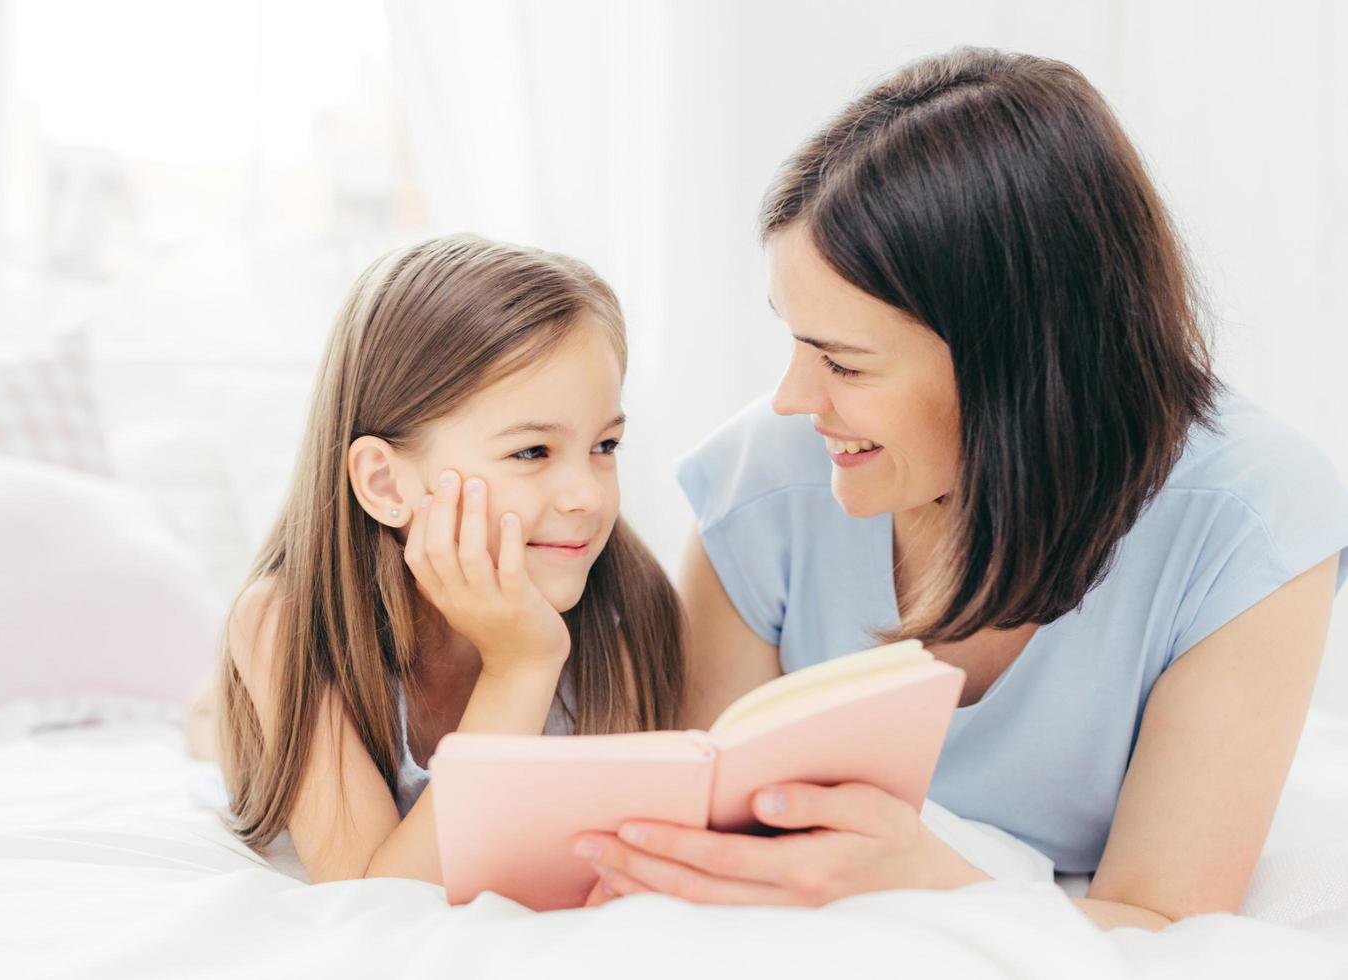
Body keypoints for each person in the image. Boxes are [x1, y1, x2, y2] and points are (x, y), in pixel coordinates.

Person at [571, 47, 1348, 931]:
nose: (793, 399)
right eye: (795, 341)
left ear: (1013, 368)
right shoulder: (765, 481)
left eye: (844, 361)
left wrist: (932, 883)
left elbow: (1159, 917)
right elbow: (699, 841)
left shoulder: (1250, 517)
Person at [212, 234, 684, 884]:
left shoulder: (627, 606)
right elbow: (382, 902)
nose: (586, 496)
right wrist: (520, 665)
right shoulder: (285, 623)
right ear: (386, 483)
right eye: (532, 452)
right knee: (207, 726)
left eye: (606, 446)